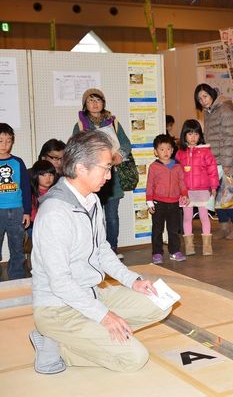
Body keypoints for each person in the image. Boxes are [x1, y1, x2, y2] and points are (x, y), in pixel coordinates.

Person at [30, 130, 171, 374]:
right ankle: (56, 344)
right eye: (106, 168)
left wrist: (133, 281)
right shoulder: (55, 213)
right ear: (82, 168)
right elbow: (60, 283)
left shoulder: (91, 200)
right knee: (134, 358)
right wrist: (104, 316)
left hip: (93, 294)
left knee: (161, 302)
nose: (109, 175)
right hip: (58, 308)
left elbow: (102, 249)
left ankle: (91, 334)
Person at [72, 88, 132, 260]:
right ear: (85, 105)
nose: (95, 104)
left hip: (112, 178)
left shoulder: (113, 122)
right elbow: (76, 149)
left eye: (98, 100)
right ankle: (93, 251)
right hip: (90, 178)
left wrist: (119, 155)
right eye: (90, 100)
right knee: (92, 216)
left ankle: (112, 249)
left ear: (103, 103)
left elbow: (126, 144)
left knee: (112, 217)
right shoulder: (81, 125)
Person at [194, 83, 233, 241]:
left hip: (225, 162)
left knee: (227, 198)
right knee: (216, 197)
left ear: (212, 94)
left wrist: (227, 163)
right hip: (213, 162)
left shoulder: (224, 110)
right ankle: (223, 227)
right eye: (200, 99)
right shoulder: (209, 112)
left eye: (205, 96)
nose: (203, 101)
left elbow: (229, 140)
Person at [175, 119, 219, 257]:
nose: (193, 137)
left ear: (200, 135)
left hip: (202, 191)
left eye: (196, 134)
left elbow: (213, 170)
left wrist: (213, 187)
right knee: (187, 218)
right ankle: (189, 245)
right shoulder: (180, 153)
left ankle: (207, 245)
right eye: (189, 134)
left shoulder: (206, 152)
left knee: (204, 217)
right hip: (186, 192)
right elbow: (176, 172)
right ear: (184, 135)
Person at [146, 134, 189, 264]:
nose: (166, 152)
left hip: (174, 203)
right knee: (157, 229)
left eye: (169, 149)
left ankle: (175, 251)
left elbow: (182, 181)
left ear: (173, 150)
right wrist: (149, 201)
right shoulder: (154, 167)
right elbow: (149, 185)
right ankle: (157, 253)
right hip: (158, 203)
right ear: (155, 151)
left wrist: (184, 194)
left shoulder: (177, 165)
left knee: (174, 229)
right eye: (162, 149)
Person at [0, 123, 31, 280]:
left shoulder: (18, 162)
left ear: (12, 141)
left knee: (17, 247)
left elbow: (26, 188)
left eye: (8, 140)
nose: (4, 145)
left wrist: (27, 211)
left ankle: (17, 277)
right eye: (0, 141)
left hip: (17, 210)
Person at [29, 159, 56, 224]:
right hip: (37, 223)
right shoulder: (31, 193)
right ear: (35, 176)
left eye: (50, 175)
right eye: (44, 175)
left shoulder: (56, 191)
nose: (48, 178)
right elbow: (32, 214)